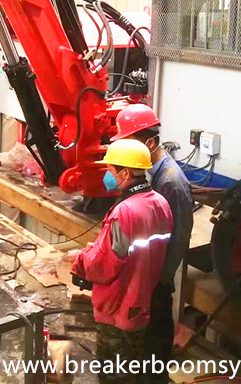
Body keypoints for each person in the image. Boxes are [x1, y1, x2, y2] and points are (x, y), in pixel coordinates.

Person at [71, 139, 173, 384]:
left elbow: (104, 265)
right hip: (142, 300)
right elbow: (137, 250)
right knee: (134, 367)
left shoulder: (124, 211)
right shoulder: (160, 203)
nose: (107, 174)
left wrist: (80, 259)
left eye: (111, 170)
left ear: (125, 173)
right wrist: (99, 247)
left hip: (119, 307)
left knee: (114, 374)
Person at [112, 104, 193, 383]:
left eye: (130, 143)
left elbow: (179, 235)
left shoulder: (172, 183)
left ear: (149, 142)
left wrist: (161, 277)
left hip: (159, 274)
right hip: (148, 270)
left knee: (157, 327)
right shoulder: (151, 173)